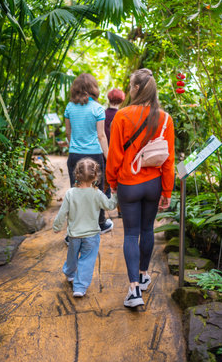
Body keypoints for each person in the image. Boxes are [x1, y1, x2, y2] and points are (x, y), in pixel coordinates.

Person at [106, 68, 175, 308]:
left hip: (129, 183)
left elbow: (114, 155)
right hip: (154, 183)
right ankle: (144, 275)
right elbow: (169, 159)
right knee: (147, 230)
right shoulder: (165, 119)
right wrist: (167, 191)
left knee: (131, 234)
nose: (128, 89)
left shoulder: (122, 116)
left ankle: (134, 291)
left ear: (136, 89)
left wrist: (112, 183)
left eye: (130, 85)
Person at [53, 158, 118, 297]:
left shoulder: (70, 193)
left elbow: (62, 212)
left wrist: (57, 226)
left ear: (76, 174)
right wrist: (115, 194)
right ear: (96, 176)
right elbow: (110, 206)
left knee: (72, 256)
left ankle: (70, 273)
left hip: (74, 235)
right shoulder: (97, 193)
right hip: (92, 235)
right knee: (87, 260)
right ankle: (79, 287)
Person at [64, 73, 113, 244]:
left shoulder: (69, 107)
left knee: (75, 192)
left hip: (75, 155)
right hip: (94, 155)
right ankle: (100, 224)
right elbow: (101, 136)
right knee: (96, 191)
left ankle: (73, 233)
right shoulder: (98, 109)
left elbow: (68, 133)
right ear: (93, 88)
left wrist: (74, 146)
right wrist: (108, 156)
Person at [104, 88, 125, 218]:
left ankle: (100, 211)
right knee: (118, 182)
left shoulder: (103, 114)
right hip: (118, 153)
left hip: (103, 151)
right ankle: (120, 210)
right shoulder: (122, 115)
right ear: (122, 100)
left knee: (103, 183)